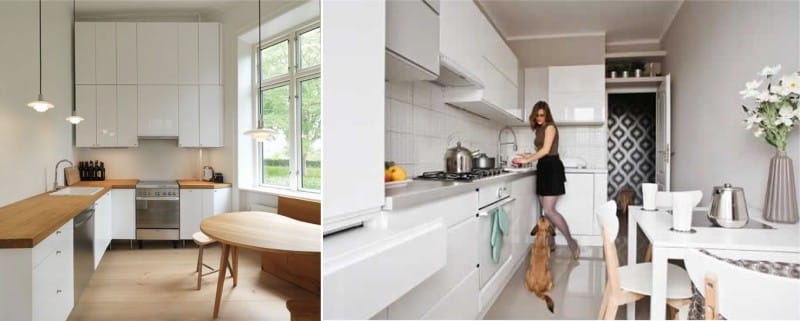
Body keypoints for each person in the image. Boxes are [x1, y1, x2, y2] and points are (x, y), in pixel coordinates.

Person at [513, 101, 580, 259]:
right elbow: (539, 151)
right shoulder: (538, 130)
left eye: (542, 115)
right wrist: (527, 156)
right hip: (543, 168)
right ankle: (551, 243)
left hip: (552, 168)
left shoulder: (550, 127)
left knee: (549, 211)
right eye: (537, 115)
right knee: (546, 211)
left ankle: (571, 242)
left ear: (547, 115)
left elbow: (545, 150)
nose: (539, 118)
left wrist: (527, 159)